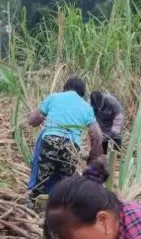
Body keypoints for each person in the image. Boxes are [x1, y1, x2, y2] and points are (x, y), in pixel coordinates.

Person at [25, 76, 105, 207]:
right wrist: (92, 157)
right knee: (66, 184)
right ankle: (64, 209)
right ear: (82, 93)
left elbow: (33, 121)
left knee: (41, 181)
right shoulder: (86, 107)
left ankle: (33, 205)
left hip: (51, 141)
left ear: (65, 88)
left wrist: (34, 117)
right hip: (71, 147)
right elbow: (97, 136)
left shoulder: (54, 97)